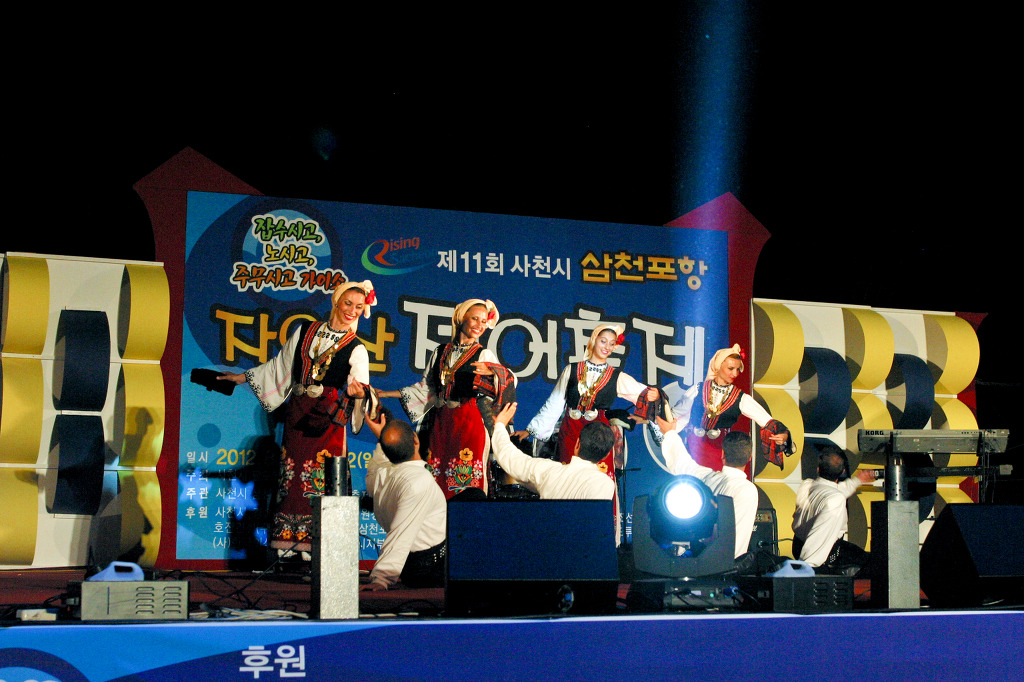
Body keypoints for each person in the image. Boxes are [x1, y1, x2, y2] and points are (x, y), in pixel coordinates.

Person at [219, 280, 376, 556]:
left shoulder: (356, 348)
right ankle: (288, 544)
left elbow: (361, 385)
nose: (352, 310)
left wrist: (359, 391)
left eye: (359, 307)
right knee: (290, 477)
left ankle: (317, 547)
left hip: (326, 418)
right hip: (298, 411)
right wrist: (240, 378)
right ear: (336, 302)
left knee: (320, 477)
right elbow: (279, 367)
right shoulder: (305, 331)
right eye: (348, 303)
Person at [376, 299, 516, 499]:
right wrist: (386, 393)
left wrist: (493, 370)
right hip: (442, 423)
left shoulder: (483, 354)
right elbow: (427, 389)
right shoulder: (440, 352)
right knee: (438, 479)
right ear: (461, 318)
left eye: (484, 321)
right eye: (474, 318)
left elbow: (511, 379)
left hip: (470, 423)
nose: (479, 325)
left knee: (465, 480)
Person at [512, 323, 659, 484]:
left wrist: (657, 396)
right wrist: (530, 431)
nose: (607, 347)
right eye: (603, 341)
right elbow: (555, 403)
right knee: (567, 480)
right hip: (570, 431)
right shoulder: (572, 370)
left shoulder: (617, 376)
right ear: (594, 340)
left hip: (599, 436)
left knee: (597, 481)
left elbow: (645, 394)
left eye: (611, 344)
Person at [493, 402, 619, 543]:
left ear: (577, 444)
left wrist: (500, 425)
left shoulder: (549, 471)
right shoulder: (604, 484)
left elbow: (512, 459)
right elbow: (595, 530)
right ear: (606, 456)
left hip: (546, 546)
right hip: (580, 551)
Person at [361, 409, 447, 591]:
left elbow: (379, 461)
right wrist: (381, 578)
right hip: (431, 568)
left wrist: (381, 439)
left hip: (415, 565)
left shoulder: (378, 475)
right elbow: (400, 534)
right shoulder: (418, 482)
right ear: (416, 440)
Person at [670, 343, 792, 471]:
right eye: (730, 368)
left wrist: (783, 435)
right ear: (718, 366)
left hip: (719, 453)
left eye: (738, 369)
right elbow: (678, 416)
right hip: (693, 449)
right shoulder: (698, 389)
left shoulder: (739, 397)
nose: (735, 373)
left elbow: (766, 420)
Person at [654, 414, 759, 559]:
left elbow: (682, 464)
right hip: (727, 565)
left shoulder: (708, 478)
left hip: (700, 560)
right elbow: (733, 540)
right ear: (749, 457)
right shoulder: (747, 489)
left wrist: (670, 433)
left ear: (722, 454)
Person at [791, 444, 877, 572]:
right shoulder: (835, 499)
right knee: (874, 565)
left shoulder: (808, 485)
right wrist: (807, 567)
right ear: (843, 472)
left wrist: (858, 480)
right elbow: (820, 534)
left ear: (818, 469)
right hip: (825, 552)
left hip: (797, 545)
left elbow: (833, 491)